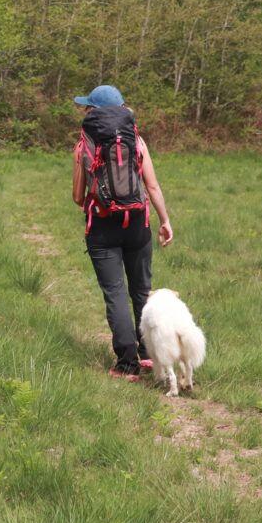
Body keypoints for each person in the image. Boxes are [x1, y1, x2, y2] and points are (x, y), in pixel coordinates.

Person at [72, 84, 173, 380]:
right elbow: (151, 186)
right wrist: (165, 220)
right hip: (138, 223)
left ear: (92, 110)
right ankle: (148, 353)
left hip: (103, 227)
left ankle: (127, 364)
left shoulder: (84, 145)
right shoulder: (136, 141)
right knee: (141, 291)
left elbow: (78, 197)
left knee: (115, 292)